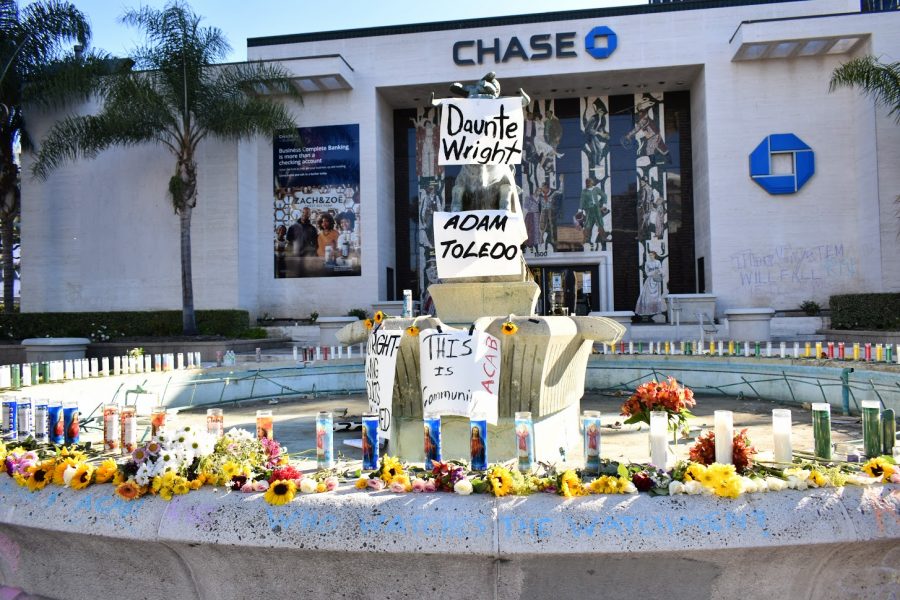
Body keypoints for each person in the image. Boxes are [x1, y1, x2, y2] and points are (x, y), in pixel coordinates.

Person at [635, 250, 667, 318]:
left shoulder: (658, 262)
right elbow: (647, 273)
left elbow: (660, 270)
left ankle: (656, 310)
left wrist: (660, 273)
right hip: (649, 281)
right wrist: (655, 271)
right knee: (647, 295)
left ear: (654, 255)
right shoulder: (647, 263)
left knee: (656, 297)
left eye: (652, 255)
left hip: (656, 280)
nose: (650, 256)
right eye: (649, 255)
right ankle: (648, 311)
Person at [580, 178, 609, 250]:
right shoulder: (584, 191)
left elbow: (604, 195)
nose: (588, 184)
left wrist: (604, 205)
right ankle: (585, 239)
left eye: (589, 182)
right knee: (587, 224)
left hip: (596, 208)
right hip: (588, 209)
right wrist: (581, 209)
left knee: (600, 223)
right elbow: (582, 201)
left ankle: (603, 238)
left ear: (591, 183)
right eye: (587, 182)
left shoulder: (596, 189)